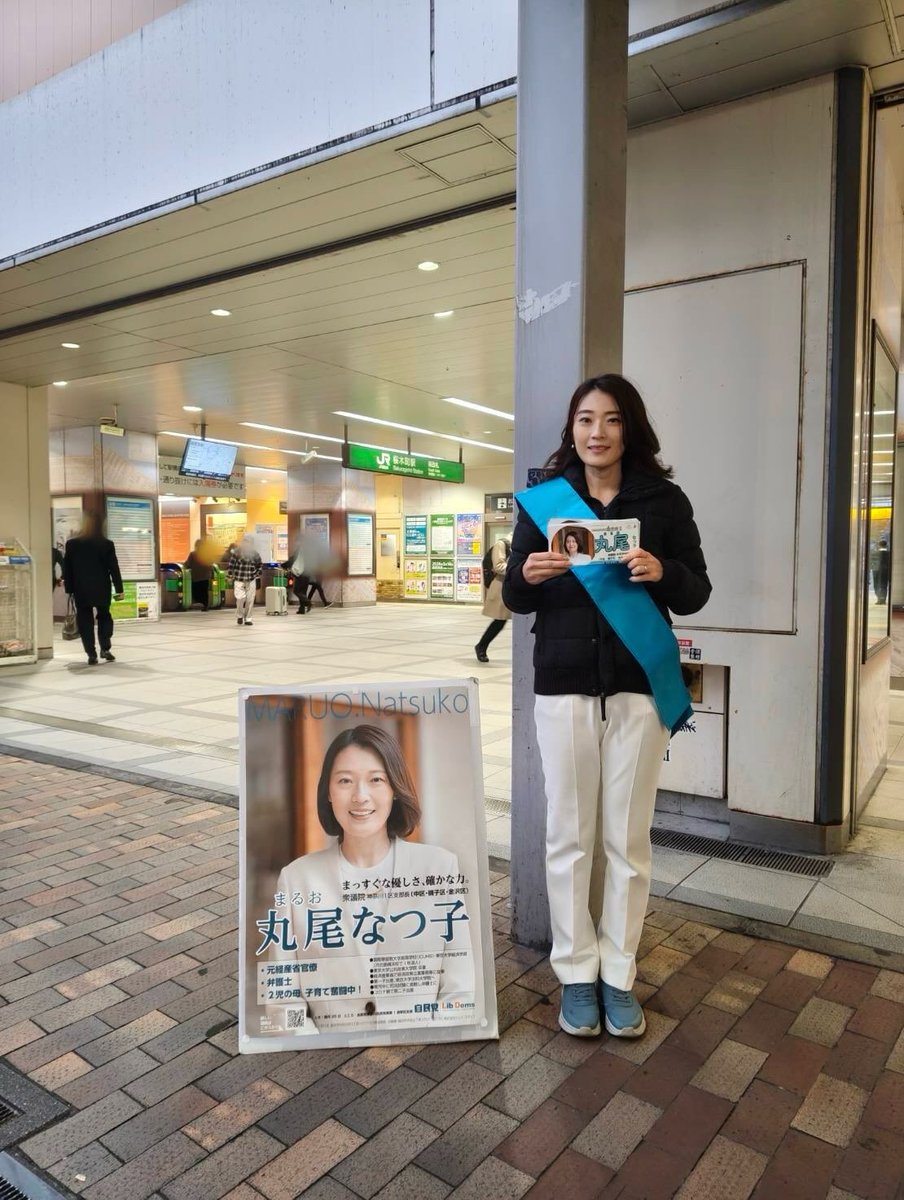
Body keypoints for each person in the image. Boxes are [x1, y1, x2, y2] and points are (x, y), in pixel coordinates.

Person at [503, 373, 711, 1040]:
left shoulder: (664, 500)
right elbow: (514, 594)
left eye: (612, 419)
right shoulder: (543, 504)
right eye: (586, 419)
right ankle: (575, 974)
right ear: (572, 429)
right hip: (562, 683)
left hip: (638, 686)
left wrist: (664, 573)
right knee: (569, 837)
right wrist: (529, 575)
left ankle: (619, 975)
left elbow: (697, 590)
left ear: (631, 429)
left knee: (627, 839)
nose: (597, 432)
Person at [265, 724, 475, 1035]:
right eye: (345, 781)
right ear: (328, 792)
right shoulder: (297, 878)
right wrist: (319, 1049)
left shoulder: (440, 867)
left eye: (376, 780)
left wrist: (427, 1049)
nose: (360, 796)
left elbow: (460, 991)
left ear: (394, 790)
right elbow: (281, 1001)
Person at [63, 514, 124, 665]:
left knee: (85, 620)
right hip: (102, 587)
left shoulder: (72, 544)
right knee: (104, 616)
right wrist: (119, 588)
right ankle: (105, 648)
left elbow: (67, 569)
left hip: (81, 588)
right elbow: (113, 568)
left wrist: (69, 589)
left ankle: (91, 653)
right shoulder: (106, 544)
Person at [475, 537, 512, 663]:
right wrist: (517, 570)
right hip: (501, 588)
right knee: (499, 621)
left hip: (515, 586)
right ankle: (481, 646)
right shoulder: (502, 544)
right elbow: (498, 566)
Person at [226, 535, 262, 625]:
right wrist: (230, 575)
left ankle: (248, 618)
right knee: (240, 598)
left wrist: (257, 574)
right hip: (239, 579)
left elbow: (260, 564)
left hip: (251, 579)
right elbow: (231, 564)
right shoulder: (237, 552)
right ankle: (239, 616)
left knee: (250, 600)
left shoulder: (255, 553)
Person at [184, 539, 213, 610]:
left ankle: (198, 605)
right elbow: (211, 565)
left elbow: (187, 564)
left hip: (196, 576)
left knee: (196, 591)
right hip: (206, 576)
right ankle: (205, 605)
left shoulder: (193, 554)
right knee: (204, 591)